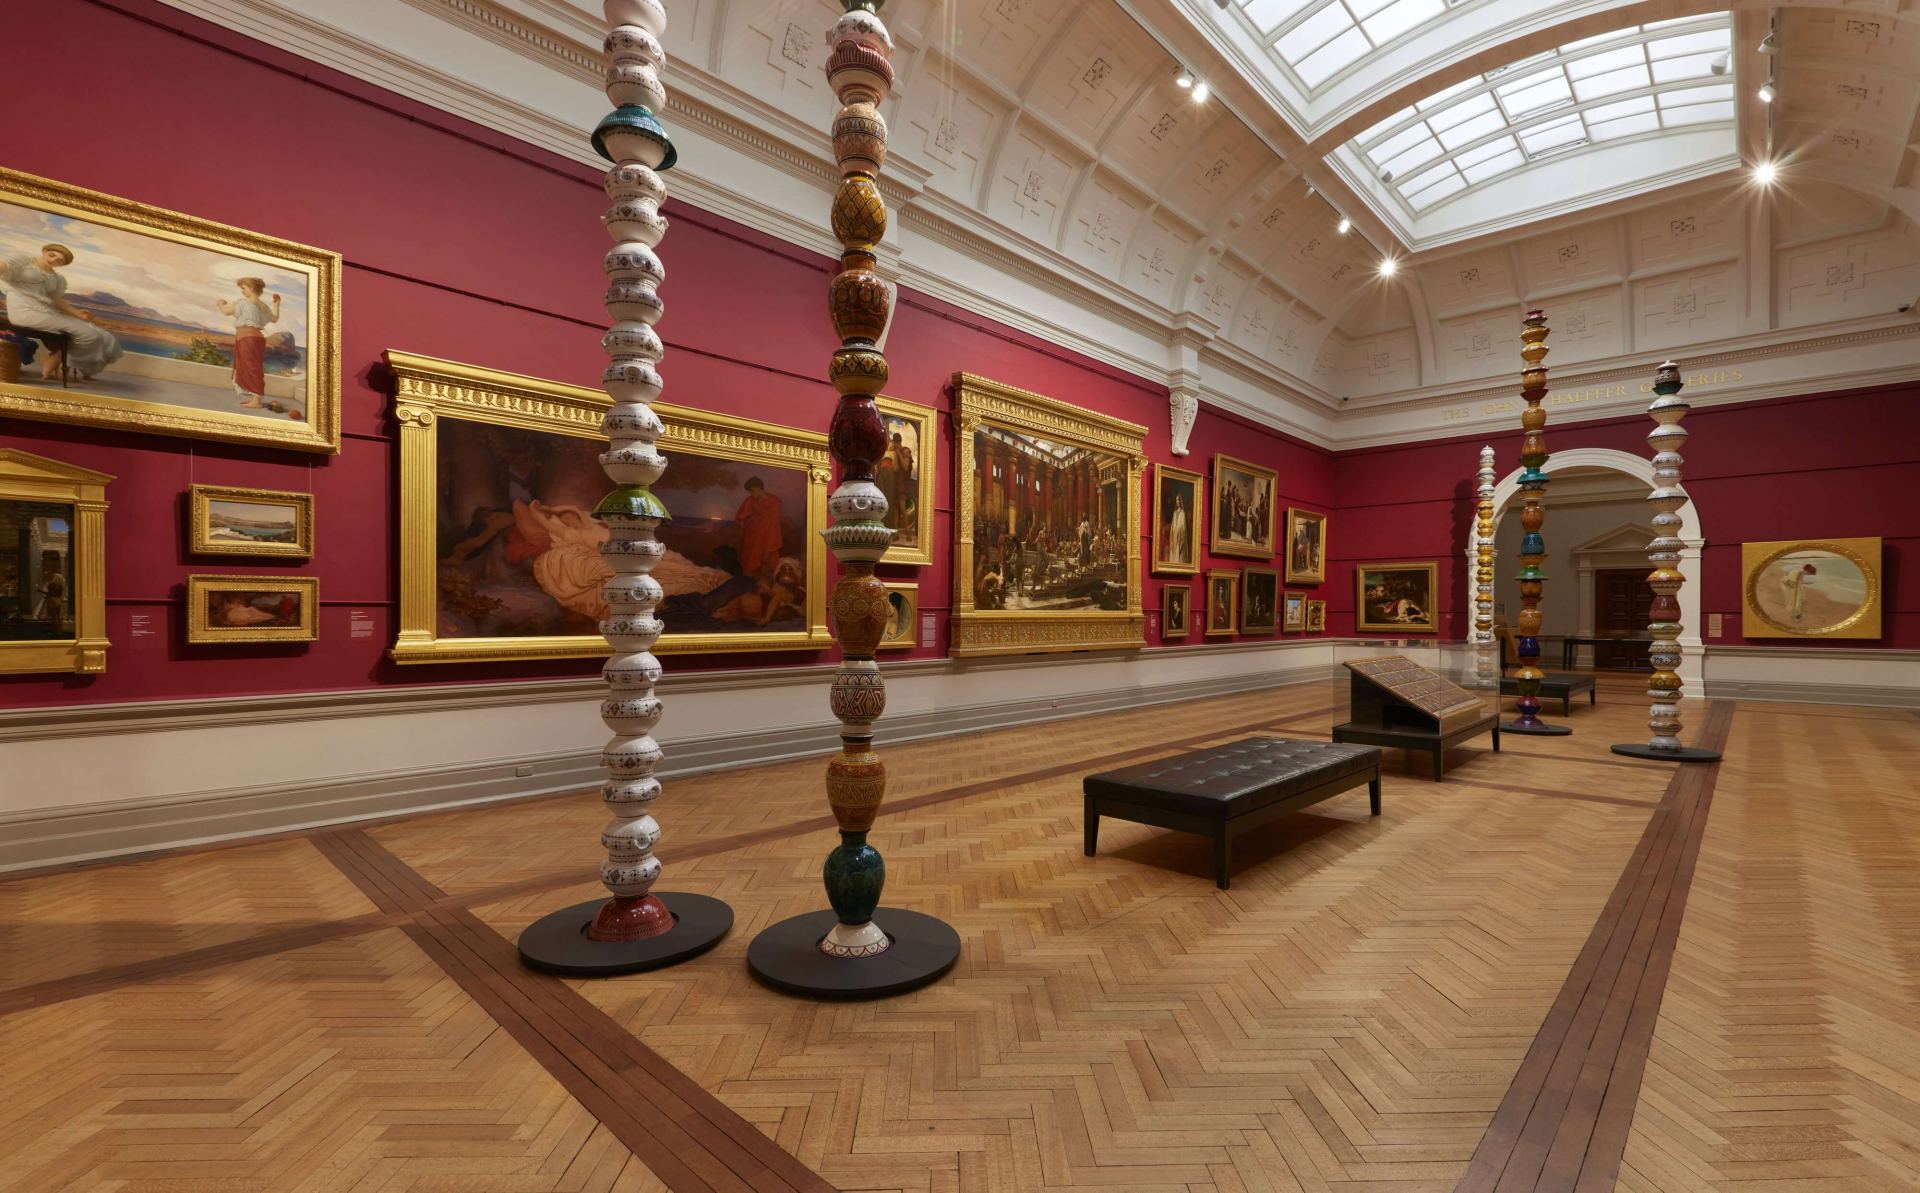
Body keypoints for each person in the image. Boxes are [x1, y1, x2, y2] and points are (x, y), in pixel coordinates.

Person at [0, 244, 124, 380]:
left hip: (46, 311)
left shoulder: (56, 278)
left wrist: (78, 314)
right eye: (52, 255)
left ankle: (58, 359)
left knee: (105, 337)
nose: (54, 260)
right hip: (24, 311)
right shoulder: (23, 260)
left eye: (59, 261)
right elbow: (3, 267)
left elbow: (56, 301)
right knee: (90, 335)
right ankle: (60, 360)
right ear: (44, 251)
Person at [215, 277, 282, 409]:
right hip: (256, 338)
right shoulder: (263, 305)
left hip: (247, 338)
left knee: (251, 368)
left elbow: (226, 311)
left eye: (243, 288)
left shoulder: (243, 303)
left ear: (251, 288)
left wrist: (220, 303)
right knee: (253, 366)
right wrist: (276, 305)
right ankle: (255, 397)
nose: (242, 291)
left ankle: (257, 401)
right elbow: (274, 318)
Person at [735, 477, 784, 584]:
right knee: (748, 562)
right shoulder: (751, 500)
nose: (751, 494)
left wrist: (768, 545)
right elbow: (741, 515)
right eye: (750, 491)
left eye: (752, 491)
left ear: (758, 488)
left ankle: (760, 586)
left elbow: (773, 525)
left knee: (763, 563)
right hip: (751, 538)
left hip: (765, 538)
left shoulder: (774, 503)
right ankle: (748, 585)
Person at [1168, 491, 1189, 565]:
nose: (1177, 502)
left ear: (1180, 501)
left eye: (1178, 500)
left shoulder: (1182, 513)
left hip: (1179, 537)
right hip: (1174, 536)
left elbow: (1182, 527)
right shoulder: (1174, 513)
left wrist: (1179, 535)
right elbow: (1172, 525)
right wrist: (1172, 534)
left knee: (1178, 556)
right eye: (1176, 500)